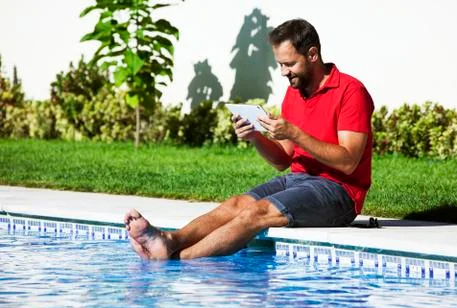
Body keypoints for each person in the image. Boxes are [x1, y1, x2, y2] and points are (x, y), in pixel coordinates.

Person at [124, 18, 374, 260]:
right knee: (235, 205)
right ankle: (170, 241)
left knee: (257, 212)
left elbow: (349, 161)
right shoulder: (295, 92)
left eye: (289, 64)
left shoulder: (351, 92)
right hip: (298, 180)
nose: (284, 72)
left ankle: (176, 259)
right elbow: (283, 160)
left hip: (339, 191)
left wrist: (295, 133)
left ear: (312, 55)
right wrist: (255, 136)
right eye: (280, 65)